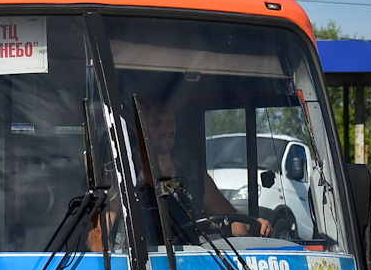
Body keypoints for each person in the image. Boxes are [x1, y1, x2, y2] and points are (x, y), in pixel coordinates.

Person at [94, 97, 271, 248]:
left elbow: (231, 220)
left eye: (170, 122)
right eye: (157, 123)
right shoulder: (121, 174)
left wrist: (254, 225)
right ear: (136, 130)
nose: (167, 129)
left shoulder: (193, 175)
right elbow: (99, 234)